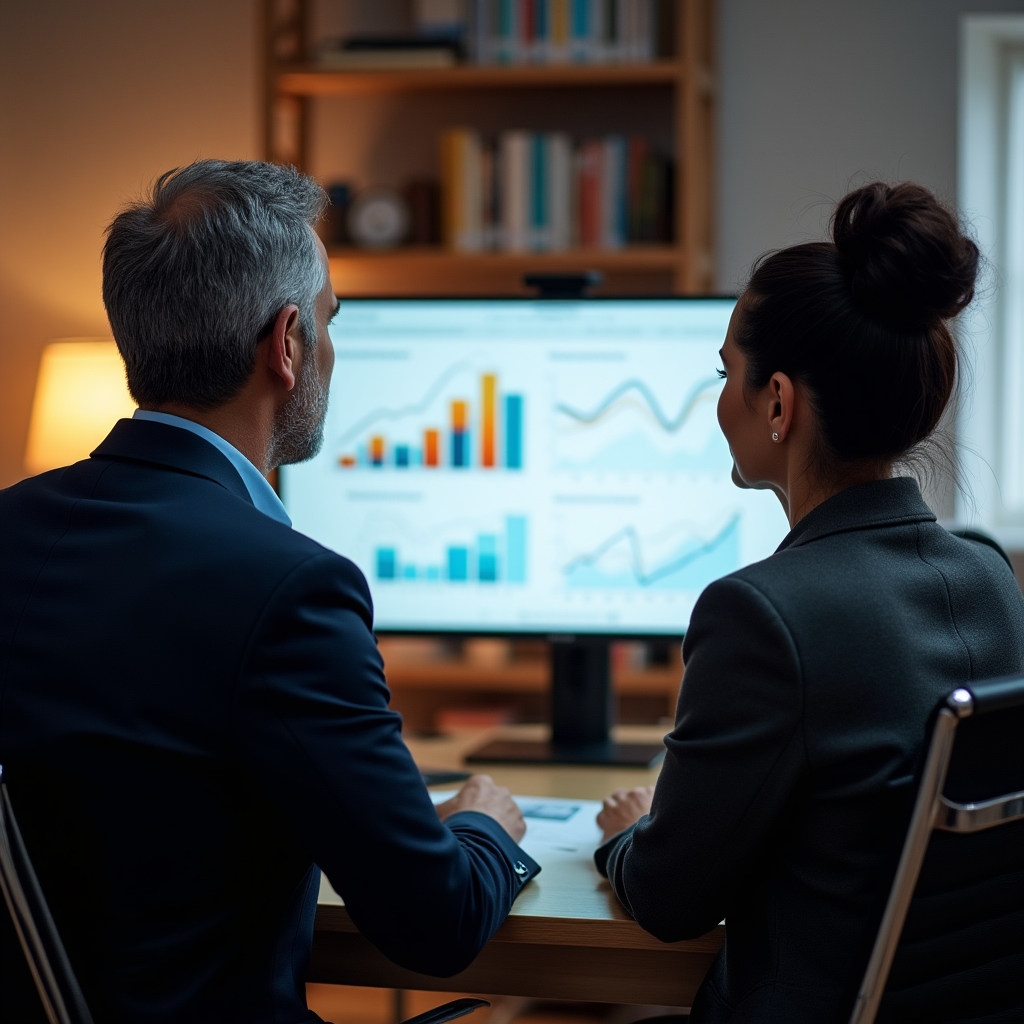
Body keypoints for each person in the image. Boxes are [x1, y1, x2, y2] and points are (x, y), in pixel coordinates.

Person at [0, 159, 539, 1024]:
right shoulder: (289, 588)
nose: (330, 348)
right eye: (329, 322)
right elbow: (435, 923)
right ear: (286, 344)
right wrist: (483, 826)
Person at [594, 182, 1024, 1022]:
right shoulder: (989, 576)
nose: (721, 400)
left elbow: (668, 898)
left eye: (727, 375)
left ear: (780, 403)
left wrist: (627, 834)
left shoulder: (761, 614)